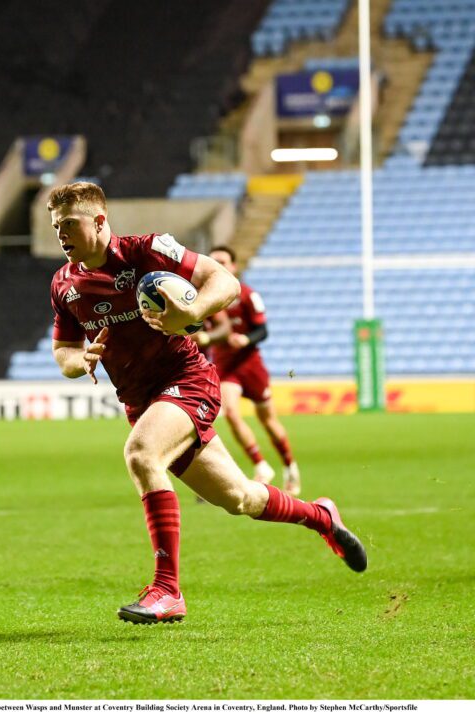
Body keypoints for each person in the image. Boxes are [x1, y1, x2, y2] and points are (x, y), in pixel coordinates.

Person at [47, 182, 365, 624]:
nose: (60, 234)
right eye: (55, 226)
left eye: (67, 224)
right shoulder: (65, 285)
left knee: (141, 454)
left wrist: (191, 313)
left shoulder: (148, 251)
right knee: (240, 498)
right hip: (141, 402)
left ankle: (167, 589)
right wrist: (80, 359)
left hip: (187, 381)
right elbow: (62, 351)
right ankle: (321, 516)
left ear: (99, 221)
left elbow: (224, 280)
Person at [192, 246, 300, 495]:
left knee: (268, 421)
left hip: (250, 364)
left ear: (233, 267)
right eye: (213, 261)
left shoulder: (249, 296)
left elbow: (263, 331)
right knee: (230, 413)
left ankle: (289, 466)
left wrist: (246, 340)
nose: (217, 264)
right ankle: (261, 465)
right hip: (225, 366)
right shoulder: (205, 298)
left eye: (222, 261)